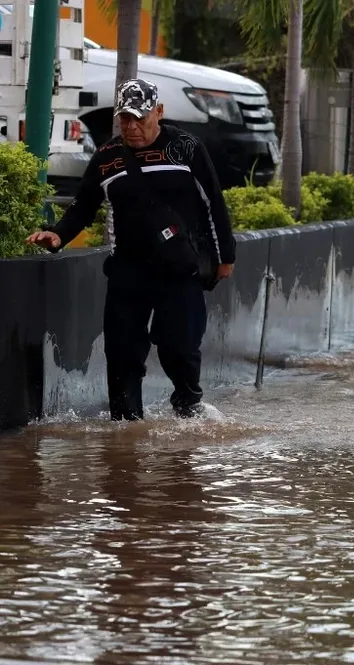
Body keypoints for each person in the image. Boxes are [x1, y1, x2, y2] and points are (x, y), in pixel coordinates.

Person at [27, 79, 236, 421]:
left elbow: (212, 202)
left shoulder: (186, 148)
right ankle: (126, 426)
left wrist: (224, 255)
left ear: (159, 112)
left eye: (139, 118)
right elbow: (84, 205)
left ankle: (187, 402)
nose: (132, 126)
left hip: (179, 267)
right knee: (122, 351)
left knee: (178, 346)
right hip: (128, 269)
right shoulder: (108, 157)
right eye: (125, 119)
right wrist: (58, 235)